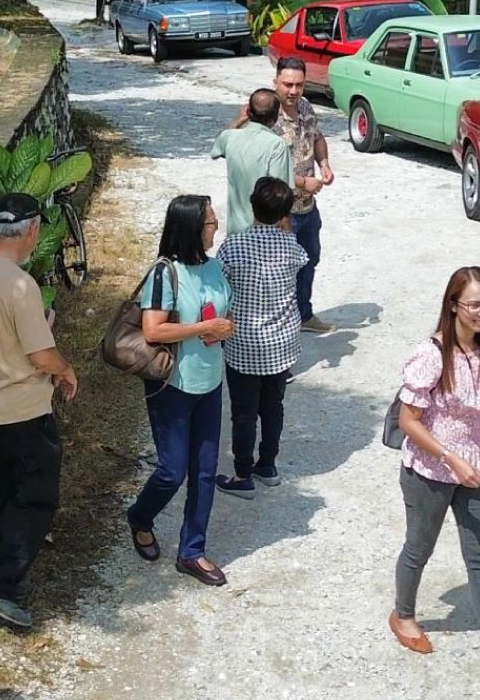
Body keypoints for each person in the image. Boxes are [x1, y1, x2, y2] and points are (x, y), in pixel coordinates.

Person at [390, 265, 480, 680]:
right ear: (453, 305)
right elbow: (409, 421)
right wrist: (451, 458)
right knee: (419, 548)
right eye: (474, 304)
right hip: (431, 470)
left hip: (476, 467)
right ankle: (403, 615)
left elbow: (474, 402)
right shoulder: (430, 355)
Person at [0, 194, 77, 628]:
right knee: (36, 497)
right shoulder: (20, 286)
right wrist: (65, 371)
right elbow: (41, 355)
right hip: (20, 412)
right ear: (32, 230)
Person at [125, 195, 234, 586]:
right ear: (190, 227)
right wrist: (204, 329)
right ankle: (140, 516)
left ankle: (192, 552)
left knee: (204, 471)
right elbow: (153, 330)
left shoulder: (214, 266)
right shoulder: (164, 273)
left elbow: (225, 308)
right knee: (172, 470)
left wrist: (224, 324)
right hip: (173, 384)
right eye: (209, 222)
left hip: (209, 380)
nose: (216, 225)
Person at [215, 176, 308, 499]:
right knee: (273, 405)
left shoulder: (233, 246)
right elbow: (301, 263)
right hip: (281, 342)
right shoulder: (292, 247)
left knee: (243, 410)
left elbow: (220, 284)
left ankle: (243, 473)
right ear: (286, 212)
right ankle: (267, 464)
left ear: (251, 206)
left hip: (244, 341)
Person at [270, 56, 335, 334]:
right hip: (279, 213)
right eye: (287, 84)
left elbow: (317, 137)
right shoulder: (266, 115)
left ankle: (304, 314)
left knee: (309, 260)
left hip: (307, 208)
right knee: (279, 271)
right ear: (276, 82)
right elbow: (264, 169)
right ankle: (279, 327)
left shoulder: (306, 107)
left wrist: (325, 164)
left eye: (299, 85)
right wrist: (302, 183)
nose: (293, 91)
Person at [213, 88, 292, 236]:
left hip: (236, 229)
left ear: (248, 112)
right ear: (276, 117)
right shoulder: (276, 145)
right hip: (266, 230)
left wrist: (238, 120)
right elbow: (279, 193)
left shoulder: (230, 137)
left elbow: (217, 149)